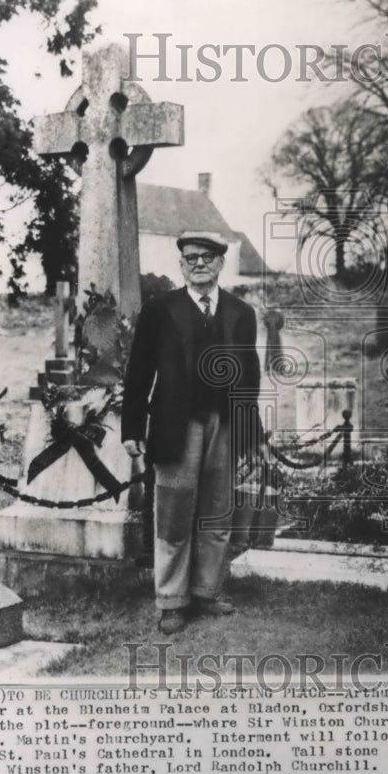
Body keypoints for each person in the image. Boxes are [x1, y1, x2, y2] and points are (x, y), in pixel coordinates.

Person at [121, 231, 261, 634]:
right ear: (181, 264)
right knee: (174, 513)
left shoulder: (240, 313)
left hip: (225, 423)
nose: (198, 264)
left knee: (217, 513)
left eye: (206, 257)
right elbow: (139, 372)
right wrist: (132, 426)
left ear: (220, 263)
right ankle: (171, 599)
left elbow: (248, 379)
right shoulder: (159, 309)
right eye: (189, 258)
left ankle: (206, 591)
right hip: (175, 424)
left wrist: (253, 436)